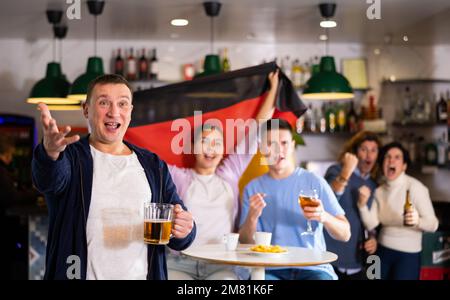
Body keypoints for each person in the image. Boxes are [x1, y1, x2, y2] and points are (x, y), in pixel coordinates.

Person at [32, 74, 196, 280]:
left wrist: (184, 230)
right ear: (86, 109)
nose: (114, 112)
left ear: (130, 112)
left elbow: (181, 228)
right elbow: (49, 179)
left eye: (122, 104)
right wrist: (50, 152)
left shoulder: (153, 165)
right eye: (103, 103)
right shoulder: (70, 157)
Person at [166, 70, 279, 280]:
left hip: (222, 264)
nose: (211, 148)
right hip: (181, 262)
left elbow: (258, 128)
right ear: (192, 147)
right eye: (204, 142)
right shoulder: (178, 176)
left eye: (217, 143)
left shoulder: (230, 172)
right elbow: (144, 159)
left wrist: (273, 89)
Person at [239, 119, 351, 280]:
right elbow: (244, 242)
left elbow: (345, 234)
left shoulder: (315, 181)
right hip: (271, 269)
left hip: (313, 268)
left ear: (292, 145)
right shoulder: (253, 188)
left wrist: (323, 216)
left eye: (284, 143)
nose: (279, 150)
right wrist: (251, 217)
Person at [357, 142, 438, 280]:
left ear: (404, 166)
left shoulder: (416, 188)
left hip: (408, 255)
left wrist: (417, 221)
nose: (391, 160)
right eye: (387, 157)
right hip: (380, 252)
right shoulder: (379, 191)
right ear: (383, 164)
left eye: (397, 157)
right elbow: (371, 224)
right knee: (371, 278)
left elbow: (433, 224)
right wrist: (362, 205)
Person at [324, 131, 381, 280]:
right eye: (364, 149)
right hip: (330, 257)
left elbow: (370, 220)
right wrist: (346, 171)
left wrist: (373, 238)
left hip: (357, 261)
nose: (369, 155)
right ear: (355, 153)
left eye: (373, 150)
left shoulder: (373, 184)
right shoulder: (336, 170)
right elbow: (327, 200)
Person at [0, 136, 39, 279]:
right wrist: (35, 193)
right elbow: (12, 197)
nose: (10, 159)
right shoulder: (2, 171)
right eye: (9, 155)